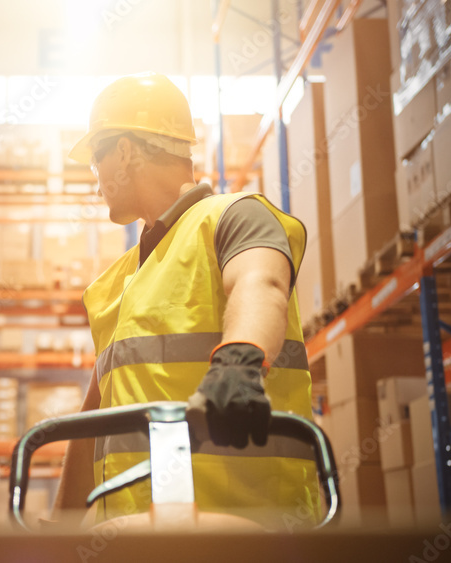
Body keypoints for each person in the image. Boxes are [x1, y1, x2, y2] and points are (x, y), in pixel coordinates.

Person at [52, 72, 319, 529]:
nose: (94, 179)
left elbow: (260, 283)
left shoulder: (234, 217)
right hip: (136, 536)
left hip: (255, 529)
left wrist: (239, 363)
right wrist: (60, 526)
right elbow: (95, 415)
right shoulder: (114, 284)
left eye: (96, 156)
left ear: (125, 150)